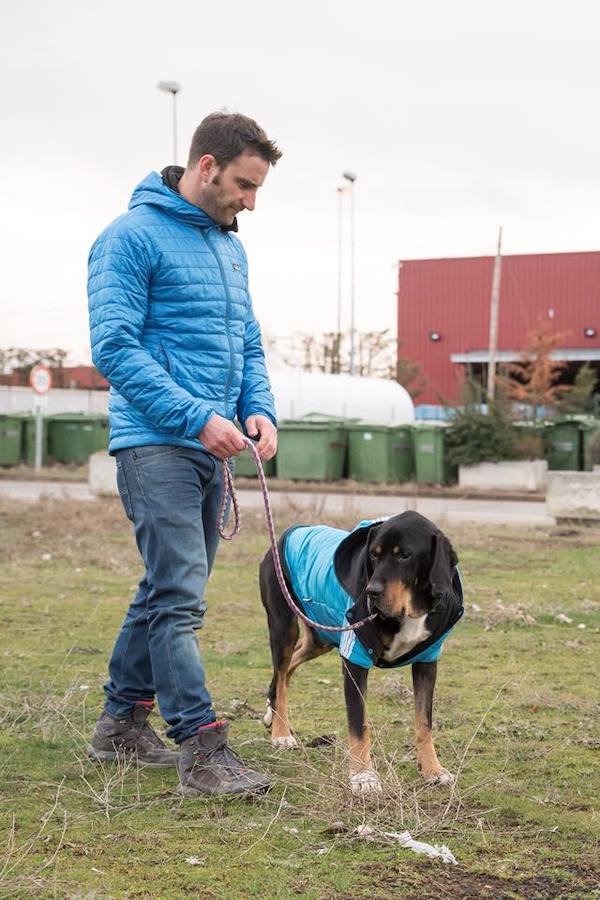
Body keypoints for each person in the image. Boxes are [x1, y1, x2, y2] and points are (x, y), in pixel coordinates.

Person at [86, 112, 281, 797]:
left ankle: (120, 725)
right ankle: (202, 748)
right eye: (243, 185)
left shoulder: (230, 249)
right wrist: (196, 416)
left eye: (257, 189)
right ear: (205, 167)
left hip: (211, 446)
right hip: (156, 445)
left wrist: (259, 408)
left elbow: (248, 343)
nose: (250, 202)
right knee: (178, 598)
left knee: (164, 588)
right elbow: (114, 348)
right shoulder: (129, 238)